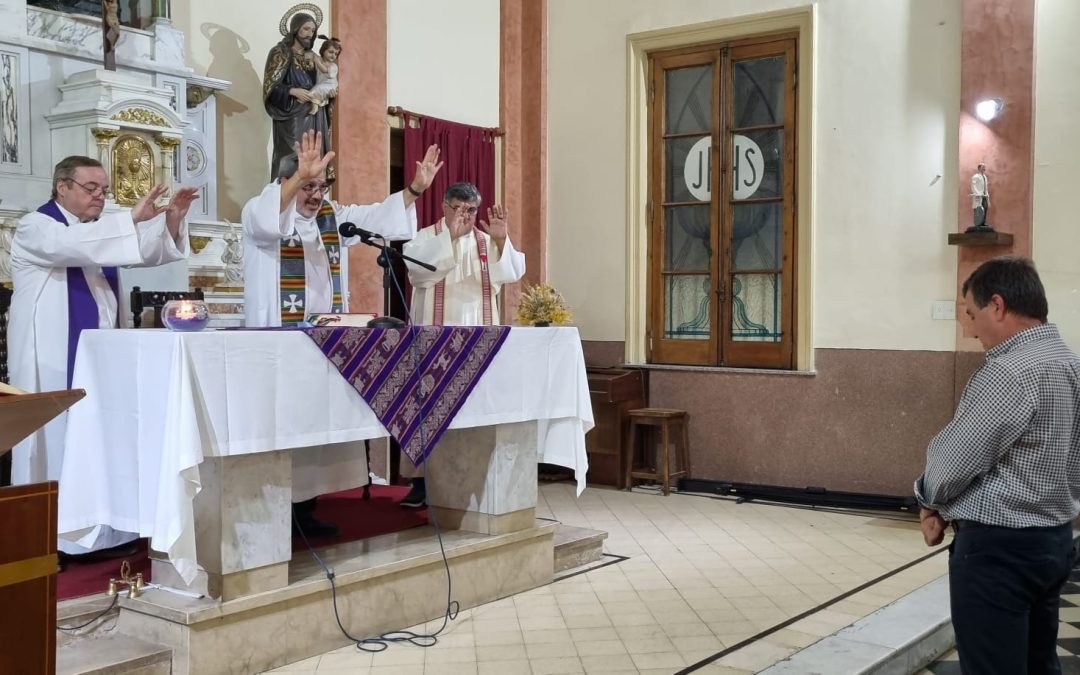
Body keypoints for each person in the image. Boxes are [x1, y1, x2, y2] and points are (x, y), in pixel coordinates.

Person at [241, 129, 442, 535]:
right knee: (286, 427)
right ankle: (278, 517)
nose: (316, 195)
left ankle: (306, 510)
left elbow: (373, 217)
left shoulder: (331, 217)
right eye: (307, 186)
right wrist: (299, 178)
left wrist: (415, 190)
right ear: (284, 183)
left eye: (321, 186)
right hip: (278, 343)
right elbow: (267, 223)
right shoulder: (261, 212)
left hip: (323, 342)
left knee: (315, 430)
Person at [8, 155, 198, 552]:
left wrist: (172, 220)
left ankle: (103, 532)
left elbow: (145, 251)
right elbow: (71, 246)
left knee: (99, 435)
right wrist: (129, 219)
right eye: (91, 188)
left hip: (97, 358)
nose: (99, 196)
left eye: (104, 190)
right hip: (52, 359)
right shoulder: (36, 226)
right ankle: (51, 536)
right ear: (62, 187)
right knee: (55, 440)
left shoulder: (97, 234)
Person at [915, 256, 1080, 674]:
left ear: (998, 306)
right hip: (1055, 541)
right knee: (1040, 663)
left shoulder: (1009, 372)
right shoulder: (1071, 363)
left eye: (971, 314)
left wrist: (928, 500)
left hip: (999, 552)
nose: (969, 329)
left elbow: (953, 463)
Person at [398, 182, 526, 507]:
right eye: (457, 208)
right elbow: (416, 272)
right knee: (428, 413)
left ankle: (471, 478)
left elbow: (511, 272)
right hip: (432, 345)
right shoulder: (426, 238)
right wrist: (450, 240)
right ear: (444, 206)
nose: (463, 216)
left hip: (475, 343)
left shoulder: (486, 242)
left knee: (471, 412)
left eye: (470, 210)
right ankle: (422, 484)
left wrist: (500, 239)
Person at [263, 10, 327, 180]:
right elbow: (271, 87)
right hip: (291, 115)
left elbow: (324, 80)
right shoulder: (280, 53)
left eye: (313, 31)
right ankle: (284, 194)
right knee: (292, 155)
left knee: (312, 155)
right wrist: (292, 91)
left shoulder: (312, 57)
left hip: (313, 113)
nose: (309, 34)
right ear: (295, 29)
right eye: (306, 29)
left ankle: (309, 195)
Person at [308, 37, 340, 116]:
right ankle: (315, 104)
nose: (333, 55)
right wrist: (312, 62)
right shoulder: (319, 59)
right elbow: (311, 58)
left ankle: (315, 105)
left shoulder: (333, 66)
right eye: (331, 52)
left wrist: (317, 62)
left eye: (336, 54)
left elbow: (324, 70)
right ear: (323, 50)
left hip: (330, 87)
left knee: (314, 91)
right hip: (321, 84)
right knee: (315, 90)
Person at [970, 162, 991, 231]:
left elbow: (986, 187)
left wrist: (986, 194)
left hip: (984, 195)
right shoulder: (975, 176)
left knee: (985, 208)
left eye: (984, 167)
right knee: (978, 209)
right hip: (978, 196)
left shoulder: (985, 177)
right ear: (979, 168)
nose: (984, 169)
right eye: (982, 167)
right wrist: (977, 193)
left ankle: (983, 222)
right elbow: (973, 185)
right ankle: (978, 223)